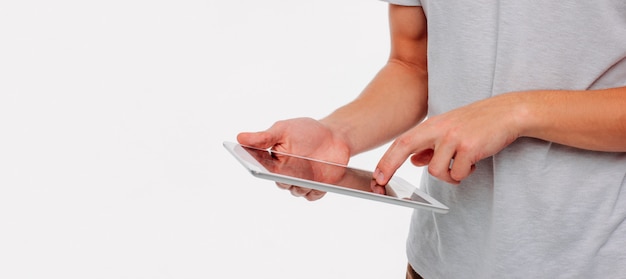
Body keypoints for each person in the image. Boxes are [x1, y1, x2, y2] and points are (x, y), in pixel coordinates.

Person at [238, 1, 626, 278]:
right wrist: (337, 134)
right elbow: (412, 62)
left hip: (594, 260)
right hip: (442, 260)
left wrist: (517, 112)